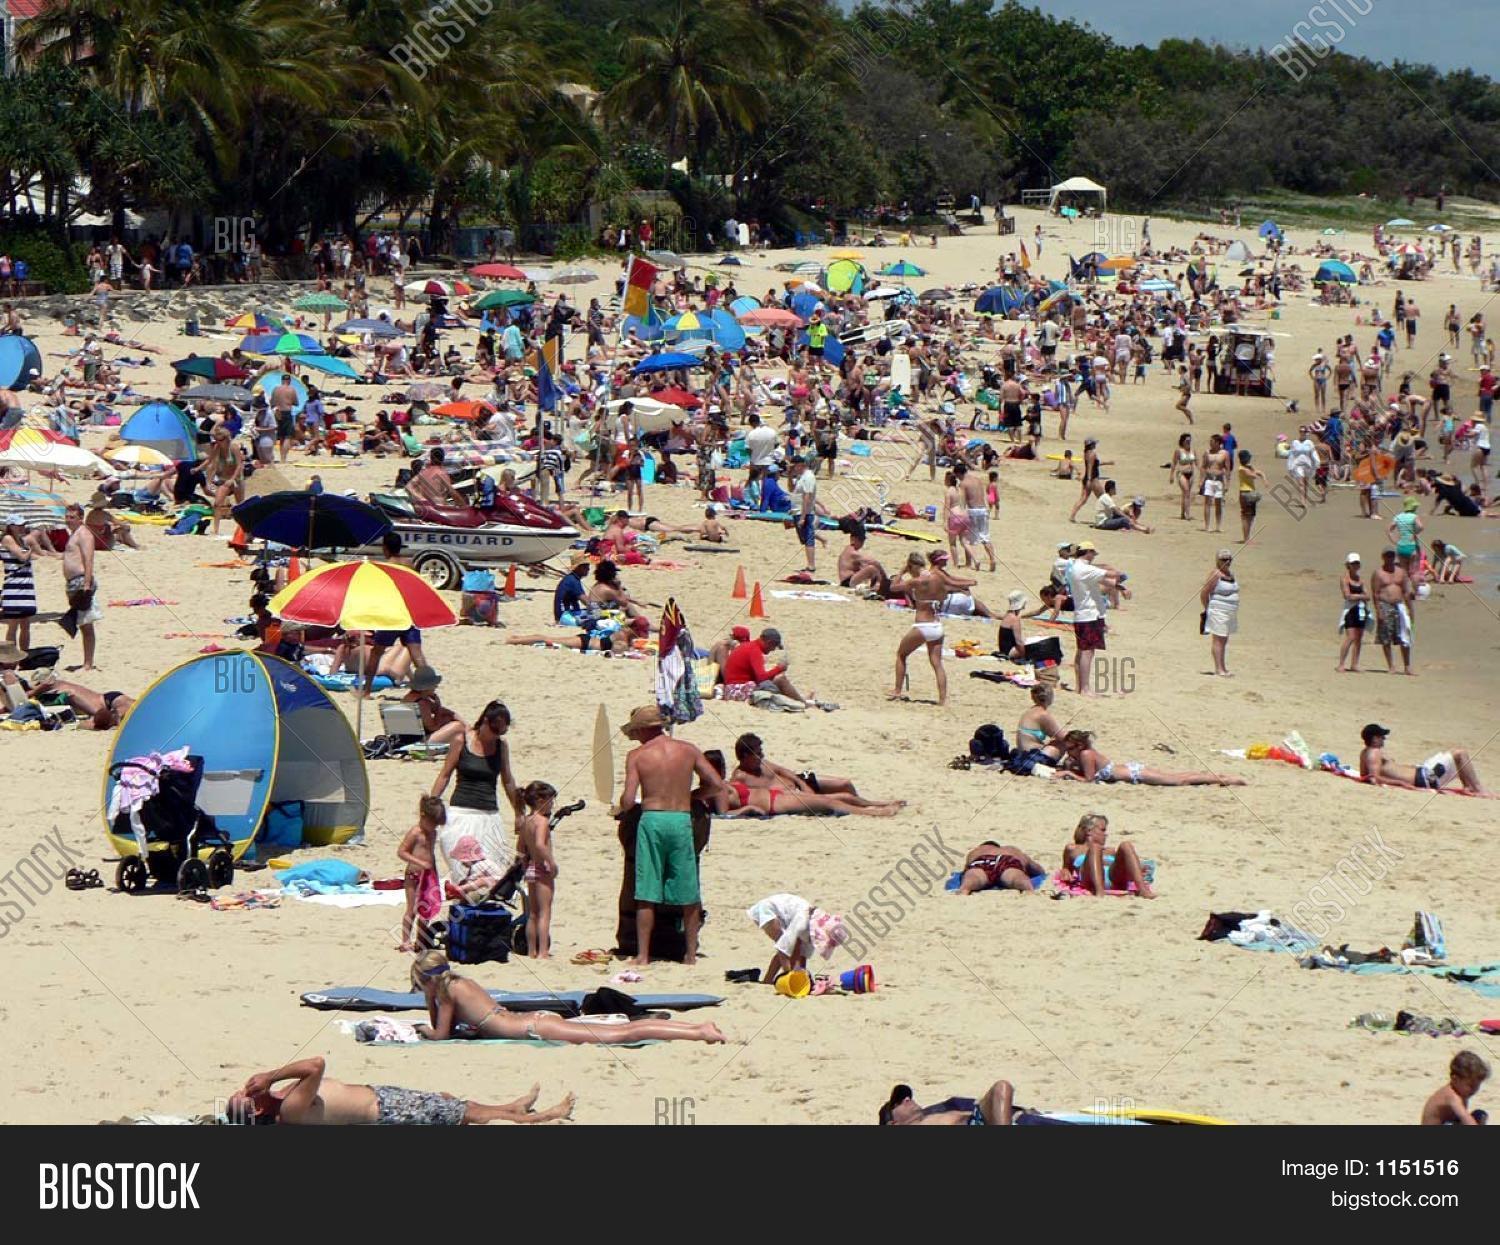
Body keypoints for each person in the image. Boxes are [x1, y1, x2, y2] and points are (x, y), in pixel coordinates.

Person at [412, 948, 725, 1044]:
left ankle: (699, 1031)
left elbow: (441, 1034)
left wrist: (428, 1010)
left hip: (535, 1028)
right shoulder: (461, 982)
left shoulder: (447, 993)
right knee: (621, 1032)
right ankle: (696, 1030)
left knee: (621, 1034)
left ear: (428, 981)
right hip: (535, 1022)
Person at [617, 704, 725, 966]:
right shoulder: (687, 749)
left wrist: (621, 805)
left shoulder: (637, 755)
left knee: (646, 890)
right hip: (680, 819)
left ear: (642, 730)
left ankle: (642, 955)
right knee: (688, 890)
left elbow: (629, 800)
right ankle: (689, 955)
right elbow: (717, 785)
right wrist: (689, 796)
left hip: (652, 819)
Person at [226, 1055, 575, 1126]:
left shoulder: (284, 1100)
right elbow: (316, 1064)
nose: (247, 1086)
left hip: (383, 1098)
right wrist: (269, 1076)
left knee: (448, 1102)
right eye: (246, 1093)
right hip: (389, 1112)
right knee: (461, 1114)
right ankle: (539, 1118)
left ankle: (511, 1107)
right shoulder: (289, 1108)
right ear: (257, 1110)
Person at [430, 700, 521, 881]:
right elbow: (445, 775)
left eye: (502, 732)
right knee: (462, 869)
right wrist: (432, 802)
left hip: (489, 815)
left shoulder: (501, 747)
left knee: (492, 872)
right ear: (485, 721)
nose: (497, 736)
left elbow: (508, 780)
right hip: (462, 812)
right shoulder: (462, 741)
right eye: (495, 730)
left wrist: (519, 812)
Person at [889, 550, 967, 706]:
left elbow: (893, 587)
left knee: (901, 655)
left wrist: (901, 572)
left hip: (922, 625)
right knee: (937, 663)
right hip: (937, 625)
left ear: (911, 566)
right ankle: (942, 699)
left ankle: (897, 691)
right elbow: (944, 596)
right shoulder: (937, 577)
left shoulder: (916, 581)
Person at [1055, 730, 1245, 786]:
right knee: (1177, 776)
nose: (1068, 751)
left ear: (1079, 746)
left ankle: (1225, 779)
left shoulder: (1087, 754)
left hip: (1135, 774)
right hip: (1132, 770)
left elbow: (1089, 780)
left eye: (1070, 748)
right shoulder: (1085, 754)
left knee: (1180, 781)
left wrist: (1069, 774)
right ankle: (1217, 777)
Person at [1357, 723, 1488, 795]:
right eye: (1381, 737)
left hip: (1423, 772)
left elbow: (1366, 775)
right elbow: (1375, 778)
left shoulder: (1366, 752)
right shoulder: (1374, 753)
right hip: (1426, 779)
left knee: (1453, 753)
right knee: (1460, 753)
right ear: (1374, 738)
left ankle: (1467, 786)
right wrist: (1401, 784)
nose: (1384, 739)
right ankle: (1477, 789)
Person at [746, 893, 846, 983]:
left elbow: (802, 957)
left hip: (789, 916)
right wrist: (789, 975)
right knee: (785, 944)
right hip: (768, 910)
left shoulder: (812, 930)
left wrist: (803, 977)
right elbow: (782, 950)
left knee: (793, 947)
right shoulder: (802, 923)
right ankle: (768, 980)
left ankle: (768, 980)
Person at [1066, 541, 1121, 696]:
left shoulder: (1075, 568)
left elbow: (1105, 581)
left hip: (1082, 614)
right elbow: (1113, 575)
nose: (1094, 557)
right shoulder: (1084, 568)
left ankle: (1080, 687)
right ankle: (1084, 688)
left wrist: (1122, 588)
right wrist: (1114, 570)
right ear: (1088, 552)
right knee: (1087, 652)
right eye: (1093, 553)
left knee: (1082, 651)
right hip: (1089, 615)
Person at [1060, 812, 1154, 897]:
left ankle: (1143, 890)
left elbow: (1120, 867)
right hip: (1089, 880)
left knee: (1126, 845)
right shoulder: (1073, 849)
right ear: (1089, 831)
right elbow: (1066, 868)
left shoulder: (1110, 851)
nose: (1105, 834)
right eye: (1102, 830)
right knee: (1095, 847)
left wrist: (1139, 868)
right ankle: (1099, 891)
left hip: (1114, 880)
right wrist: (1065, 870)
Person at [878, 1080, 1043, 1126]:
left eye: (907, 1096)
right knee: (1002, 1087)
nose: (908, 1099)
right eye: (898, 1102)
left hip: (980, 1120)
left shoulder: (936, 1112)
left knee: (1002, 1088)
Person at [397, 795, 444, 952]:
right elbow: (401, 852)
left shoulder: (433, 833)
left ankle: (421, 940)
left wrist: (434, 873)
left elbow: (431, 855)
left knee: (426, 910)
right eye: (433, 823)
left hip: (428, 877)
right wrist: (419, 863)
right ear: (423, 816)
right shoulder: (415, 833)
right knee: (411, 909)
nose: (434, 827)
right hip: (413, 876)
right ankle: (405, 941)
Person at [517, 780, 559, 959]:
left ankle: (531, 950)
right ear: (541, 800)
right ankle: (543, 951)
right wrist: (552, 863)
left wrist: (526, 865)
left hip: (531, 867)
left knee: (532, 913)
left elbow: (520, 849)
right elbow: (541, 845)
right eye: (551, 801)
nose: (552, 805)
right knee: (545, 912)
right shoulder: (541, 822)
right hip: (542, 867)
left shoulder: (526, 821)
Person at [1, 514, 56, 650]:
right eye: (19, 525)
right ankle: (11, 658)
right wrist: (32, 547)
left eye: (23, 525)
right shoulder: (7, 539)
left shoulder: (21, 540)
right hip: (14, 587)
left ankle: (24, 655)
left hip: (26, 587)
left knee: (26, 625)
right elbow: (23, 556)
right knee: (13, 625)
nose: (22, 527)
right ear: (11, 527)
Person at [721, 626, 812, 705]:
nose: (773, 650)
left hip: (731, 690)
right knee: (780, 680)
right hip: (737, 691)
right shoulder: (755, 651)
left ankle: (801, 699)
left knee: (773, 683)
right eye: (774, 646)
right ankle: (804, 703)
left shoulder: (748, 646)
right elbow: (761, 678)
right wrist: (779, 668)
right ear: (770, 642)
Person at [58, 503, 101, 670]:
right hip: (73, 582)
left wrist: (87, 583)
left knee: (86, 623)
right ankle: (87, 662)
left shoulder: (84, 534)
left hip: (81, 581)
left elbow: (89, 559)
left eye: (72, 517)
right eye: (67, 517)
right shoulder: (74, 534)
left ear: (80, 518)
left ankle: (88, 663)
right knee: (82, 623)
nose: (68, 520)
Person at [26, 671, 133, 729]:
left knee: (129, 714)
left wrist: (37, 690)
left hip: (103, 706)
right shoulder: (60, 684)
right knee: (136, 708)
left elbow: (72, 695)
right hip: (108, 699)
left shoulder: (55, 688)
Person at [1371, 546, 1414, 674]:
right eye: (1387, 555)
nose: (1390, 558)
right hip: (1385, 605)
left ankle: (1407, 666)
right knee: (1386, 636)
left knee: (1405, 636)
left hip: (1400, 605)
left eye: (1391, 555)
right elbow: (1375, 593)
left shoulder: (1401, 572)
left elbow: (1406, 592)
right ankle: (1391, 666)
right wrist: (1378, 611)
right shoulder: (1378, 573)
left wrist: (1410, 609)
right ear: (1383, 557)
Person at [1420, 1051, 1490, 1125]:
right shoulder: (1451, 1096)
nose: (1474, 1090)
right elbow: (1466, 1119)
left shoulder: (1461, 1093)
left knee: (1480, 1114)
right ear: (1455, 1079)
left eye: (1477, 1086)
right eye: (1470, 1085)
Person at [402, 666, 464, 746]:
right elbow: (433, 728)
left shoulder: (408, 698)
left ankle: (468, 728)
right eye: (434, 685)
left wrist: (449, 713)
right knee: (457, 726)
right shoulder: (422, 703)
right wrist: (438, 708)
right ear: (427, 687)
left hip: (404, 737)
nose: (436, 687)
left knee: (449, 717)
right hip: (418, 742)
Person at [1201, 549, 1239, 677]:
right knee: (1218, 639)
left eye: (1229, 559)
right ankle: (1219, 669)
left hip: (1230, 611)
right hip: (1218, 610)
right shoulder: (1215, 574)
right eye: (1224, 559)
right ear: (1217, 560)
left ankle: (1223, 667)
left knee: (1224, 639)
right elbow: (1204, 593)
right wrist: (1208, 608)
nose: (1227, 562)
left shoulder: (1230, 573)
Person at [957, 841, 1047, 895]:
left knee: (974, 876)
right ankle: (1028, 890)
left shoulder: (977, 851)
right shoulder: (1012, 850)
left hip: (983, 860)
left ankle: (965, 889)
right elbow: (1036, 869)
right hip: (1006, 860)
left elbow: (967, 869)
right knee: (1015, 877)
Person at [1337, 552, 1371, 673]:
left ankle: (1354, 664)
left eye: (1357, 563)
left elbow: (1368, 596)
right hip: (1350, 610)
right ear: (1348, 565)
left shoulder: (1360, 579)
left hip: (1360, 610)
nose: (1355, 565)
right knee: (1350, 637)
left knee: (1359, 637)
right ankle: (1341, 663)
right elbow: (1347, 596)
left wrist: (1357, 596)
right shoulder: (1345, 578)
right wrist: (1361, 596)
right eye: (1353, 563)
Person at [1015, 684, 1064, 760]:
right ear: (1050, 697)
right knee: (1062, 743)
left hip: (1022, 753)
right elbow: (1062, 736)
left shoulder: (1030, 711)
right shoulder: (1043, 714)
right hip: (1032, 755)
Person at [837, 523, 888, 594]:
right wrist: (884, 576)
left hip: (848, 579)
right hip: (848, 581)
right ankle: (884, 584)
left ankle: (879, 584)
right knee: (872, 568)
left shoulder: (848, 549)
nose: (862, 543)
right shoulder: (852, 553)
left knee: (868, 567)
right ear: (853, 539)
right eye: (861, 540)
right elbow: (874, 562)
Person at [792, 452, 819, 572]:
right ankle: (810, 564)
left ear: (801, 465)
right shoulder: (801, 476)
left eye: (795, 466)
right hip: (797, 511)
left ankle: (811, 565)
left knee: (808, 538)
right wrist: (789, 476)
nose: (793, 468)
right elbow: (793, 491)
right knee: (804, 539)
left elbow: (807, 497)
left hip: (805, 513)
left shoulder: (808, 477)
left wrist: (803, 516)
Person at [1235, 450, 1270, 543]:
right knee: (1246, 516)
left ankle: (1248, 537)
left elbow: (1260, 473)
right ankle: (1246, 538)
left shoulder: (1247, 467)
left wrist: (1264, 480)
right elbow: (1253, 475)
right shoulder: (1242, 469)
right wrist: (1253, 470)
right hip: (1245, 493)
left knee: (1251, 516)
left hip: (1250, 492)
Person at [1386, 496, 1424, 577]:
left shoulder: (1398, 517)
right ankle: (1413, 588)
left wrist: (1393, 540)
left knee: (1404, 572)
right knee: (1414, 572)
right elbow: (1421, 527)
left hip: (1401, 546)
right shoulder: (1414, 516)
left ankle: (1405, 588)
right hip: (1412, 546)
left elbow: (1389, 529)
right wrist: (1414, 533)